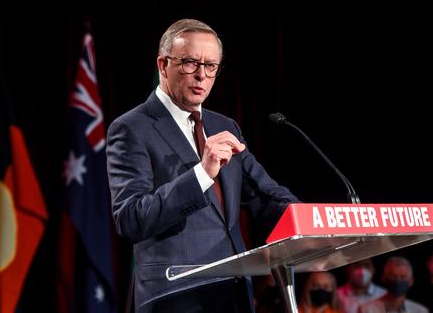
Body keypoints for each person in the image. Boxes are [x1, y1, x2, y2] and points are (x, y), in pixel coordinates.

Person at [106, 18, 300, 312]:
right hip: (175, 296)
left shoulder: (224, 126)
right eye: (189, 63)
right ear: (162, 65)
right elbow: (131, 219)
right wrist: (202, 174)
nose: (201, 76)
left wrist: (313, 220)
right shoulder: (132, 128)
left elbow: (265, 196)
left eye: (211, 66)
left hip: (233, 293)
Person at [358, 256, 428, 313]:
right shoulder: (366, 310)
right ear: (383, 278)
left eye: (402, 277)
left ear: (411, 281)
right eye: (393, 276)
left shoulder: (420, 310)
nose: (398, 280)